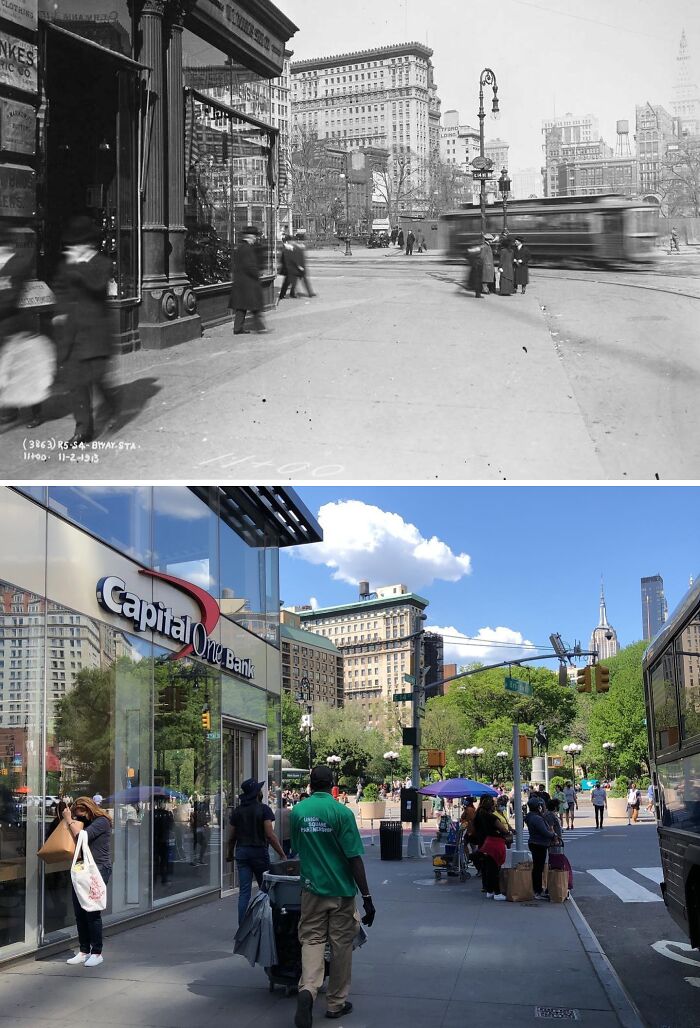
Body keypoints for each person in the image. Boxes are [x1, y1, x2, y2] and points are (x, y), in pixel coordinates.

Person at [290, 764, 375, 1027]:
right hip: (341, 892)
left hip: (312, 890)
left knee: (312, 940)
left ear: (310, 783)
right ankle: (336, 1003)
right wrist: (367, 897)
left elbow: (298, 849)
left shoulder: (298, 812)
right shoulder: (342, 813)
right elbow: (354, 858)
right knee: (340, 946)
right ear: (332, 784)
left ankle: (308, 989)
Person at [52, 215, 117, 445]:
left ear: (88, 244)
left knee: (97, 378)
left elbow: (96, 285)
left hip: (96, 333)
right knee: (76, 383)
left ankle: (110, 404)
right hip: (73, 333)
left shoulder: (102, 263)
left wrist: (79, 265)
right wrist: (60, 312)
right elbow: (60, 290)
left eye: (78, 244)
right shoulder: (66, 265)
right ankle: (83, 430)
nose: (74, 248)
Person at [225, 777, 286, 925]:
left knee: (244, 892)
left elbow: (231, 837)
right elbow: (270, 835)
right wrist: (282, 854)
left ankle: (242, 926)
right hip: (259, 852)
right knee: (265, 890)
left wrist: (229, 854)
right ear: (257, 793)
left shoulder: (237, 811)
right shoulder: (263, 809)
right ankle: (267, 924)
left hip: (242, 852)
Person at [62, 796, 112, 966]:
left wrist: (69, 820)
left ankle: (97, 952)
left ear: (89, 808)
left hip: (98, 870)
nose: (79, 816)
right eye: (76, 813)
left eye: (81, 812)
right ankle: (84, 951)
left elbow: (82, 836)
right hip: (81, 869)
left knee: (92, 911)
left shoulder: (102, 821)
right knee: (79, 912)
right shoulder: (84, 821)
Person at [229, 225, 269, 335]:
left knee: (241, 306)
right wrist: (257, 274)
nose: (255, 239)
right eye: (255, 236)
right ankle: (259, 327)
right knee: (254, 304)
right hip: (248, 282)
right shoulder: (247, 249)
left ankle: (237, 328)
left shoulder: (241, 247)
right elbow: (249, 266)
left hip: (240, 281)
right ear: (250, 237)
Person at [473, 795, 510, 899]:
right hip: (495, 843)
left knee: (489, 868)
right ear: (491, 806)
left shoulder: (479, 814)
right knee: (494, 869)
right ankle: (497, 892)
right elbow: (503, 829)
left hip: (485, 842)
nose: (495, 806)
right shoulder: (492, 817)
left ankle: (489, 890)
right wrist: (507, 833)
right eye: (494, 805)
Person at [525, 796, 556, 899]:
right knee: (538, 868)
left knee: (537, 867)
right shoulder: (536, 818)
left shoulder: (530, 816)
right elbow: (545, 832)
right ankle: (537, 890)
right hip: (539, 844)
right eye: (540, 805)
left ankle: (537, 889)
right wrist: (553, 835)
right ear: (537, 806)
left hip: (535, 843)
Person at [293, 229, 316, 297]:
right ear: (299, 240)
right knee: (294, 281)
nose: (304, 241)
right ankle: (294, 293)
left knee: (304, 280)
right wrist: (298, 266)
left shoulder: (301, 246)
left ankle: (310, 293)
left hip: (301, 266)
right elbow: (295, 258)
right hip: (297, 267)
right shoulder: (296, 247)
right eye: (303, 240)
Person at [277, 234, 299, 301]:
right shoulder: (287, 247)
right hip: (288, 267)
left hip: (290, 267)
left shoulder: (288, 247)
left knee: (291, 281)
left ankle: (289, 293)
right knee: (288, 282)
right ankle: (283, 295)